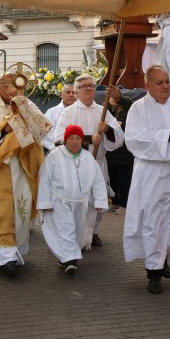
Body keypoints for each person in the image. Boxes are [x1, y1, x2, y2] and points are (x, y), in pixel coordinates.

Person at [123, 66, 170, 294]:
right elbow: (134, 140)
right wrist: (168, 134)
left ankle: (161, 255)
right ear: (147, 85)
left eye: (167, 82)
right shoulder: (138, 108)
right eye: (159, 83)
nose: (165, 86)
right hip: (153, 172)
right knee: (154, 222)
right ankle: (153, 271)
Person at [0, 74, 52, 277]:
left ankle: (14, 252)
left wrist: (24, 109)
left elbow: (43, 128)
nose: (11, 91)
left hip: (24, 165)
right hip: (0, 166)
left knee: (21, 209)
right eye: (6, 86)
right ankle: (6, 257)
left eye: (15, 87)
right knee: (2, 210)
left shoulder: (27, 104)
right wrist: (3, 129)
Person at [54, 74, 124, 248]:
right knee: (78, 202)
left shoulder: (102, 110)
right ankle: (76, 235)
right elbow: (60, 139)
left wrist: (107, 130)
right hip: (76, 165)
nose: (88, 88)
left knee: (97, 200)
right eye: (84, 86)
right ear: (77, 91)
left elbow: (119, 137)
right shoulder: (69, 112)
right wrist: (89, 139)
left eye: (91, 85)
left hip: (98, 163)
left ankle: (92, 232)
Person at [37, 125, 107, 276]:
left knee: (76, 232)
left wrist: (100, 201)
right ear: (65, 140)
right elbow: (44, 179)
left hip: (80, 203)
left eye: (77, 138)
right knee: (66, 229)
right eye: (71, 138)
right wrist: (45, 202)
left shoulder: (88, 157)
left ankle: (65, 257)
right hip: (59, 202)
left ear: (82, 141)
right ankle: (71, 261)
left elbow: (98, 181)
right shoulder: (55, 156)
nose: (74, 142)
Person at [105, 84, 134, 215]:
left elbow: (129, 104)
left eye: (114, 98)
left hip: (125, 153)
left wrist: (119, 97)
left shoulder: (128, 111)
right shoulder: (108, 113)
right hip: (111, 154)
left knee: (124, 181)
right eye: (110, 98)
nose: (112, 100)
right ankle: (115, 202)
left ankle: (124, 204)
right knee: (113, 180)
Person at [41, 84, 77, 152]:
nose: (71, 95)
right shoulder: (51, 112)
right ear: (61, 95)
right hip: (58, 151)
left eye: (73, 92)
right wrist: (62, 145)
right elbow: (46, 132)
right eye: (68, 92)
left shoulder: (83, 111)